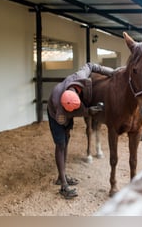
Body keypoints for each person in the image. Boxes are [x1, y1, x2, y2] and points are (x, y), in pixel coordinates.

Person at [47, 62, 114, 199]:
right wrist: (87, 112)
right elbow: (63, 119)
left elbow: (92, 65)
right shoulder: (59, 107)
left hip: (69, 109)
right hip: (56, 115)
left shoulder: (80, 76)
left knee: (66, 140)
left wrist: (111, 72)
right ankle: (63, 185)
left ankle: (62, 176)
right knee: (61, 144)